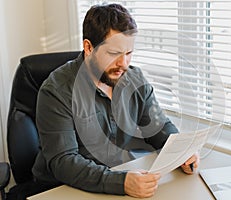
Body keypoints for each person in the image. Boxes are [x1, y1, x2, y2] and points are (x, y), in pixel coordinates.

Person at [31, 3, 199, 199]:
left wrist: (179, 152)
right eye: (114, 54)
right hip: (62, 190)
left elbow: (159, 127)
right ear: (88, 47)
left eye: (128, 53)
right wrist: (121, 183)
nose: (123, 64)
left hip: (118, 179)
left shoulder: (134, 79)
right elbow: (64, 162)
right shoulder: (57, 91)